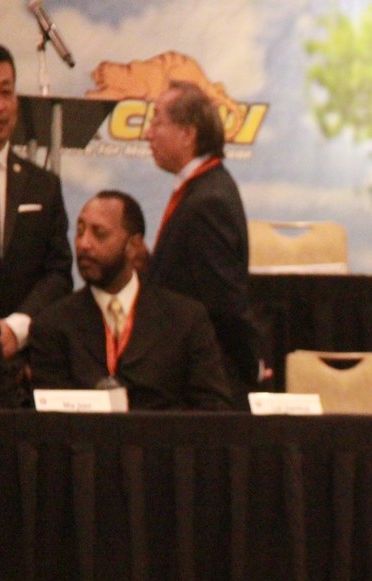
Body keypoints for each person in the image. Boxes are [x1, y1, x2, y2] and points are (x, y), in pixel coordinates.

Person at [29, 190, 232, 410]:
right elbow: (49, 421)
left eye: (99, 233)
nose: (84, 244)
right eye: (79, 232)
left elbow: (213, 411)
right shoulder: (53, 324)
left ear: (133, 246)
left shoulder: (185, 319)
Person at [0, 41, 73, 406]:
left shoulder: (44, 184)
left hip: (27, 366)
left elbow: (58, 272)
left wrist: (18, 327)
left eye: (6, 92)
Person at [144, 79, 260, 406]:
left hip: (206, 385)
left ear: (187, 134)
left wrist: (251, 362)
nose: (147, 134)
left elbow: (223, 301)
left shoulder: (208, 201)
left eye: (157, 122)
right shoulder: (204, 189)